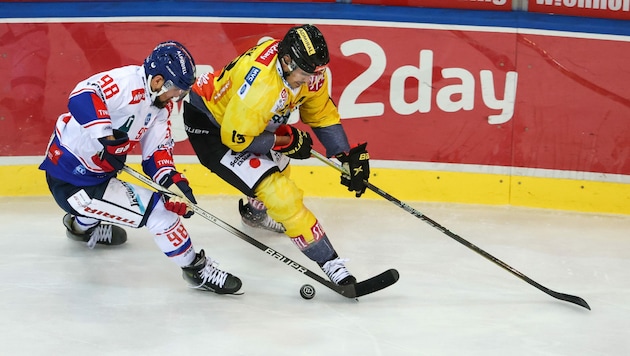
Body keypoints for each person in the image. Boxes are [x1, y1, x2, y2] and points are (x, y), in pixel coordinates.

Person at [39, 41, 242, 295]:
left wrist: (173, 185)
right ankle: (196, 269)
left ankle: (79, 227)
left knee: (128, 201)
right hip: (72, 181)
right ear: (158, 81)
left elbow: (156, 155)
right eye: (176, 90)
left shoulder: (159, 109)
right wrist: (107, 138)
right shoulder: (126, 83)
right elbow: (82, 95)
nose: (177, 97)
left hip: (97, 175)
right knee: (159, 213)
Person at [182, 25, 371, 286]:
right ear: (286, 60)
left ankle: (254, 213)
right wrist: (285, 140)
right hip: (212, 129)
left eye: (315, 73)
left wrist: (345, 153)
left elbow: (320, 113)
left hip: (249, 121)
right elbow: (236, 140)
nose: (310, 81)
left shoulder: (307, 69)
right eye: (305, 74)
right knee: (280, 195)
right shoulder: (260, 86)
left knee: (278, 165)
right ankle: (329, 262)